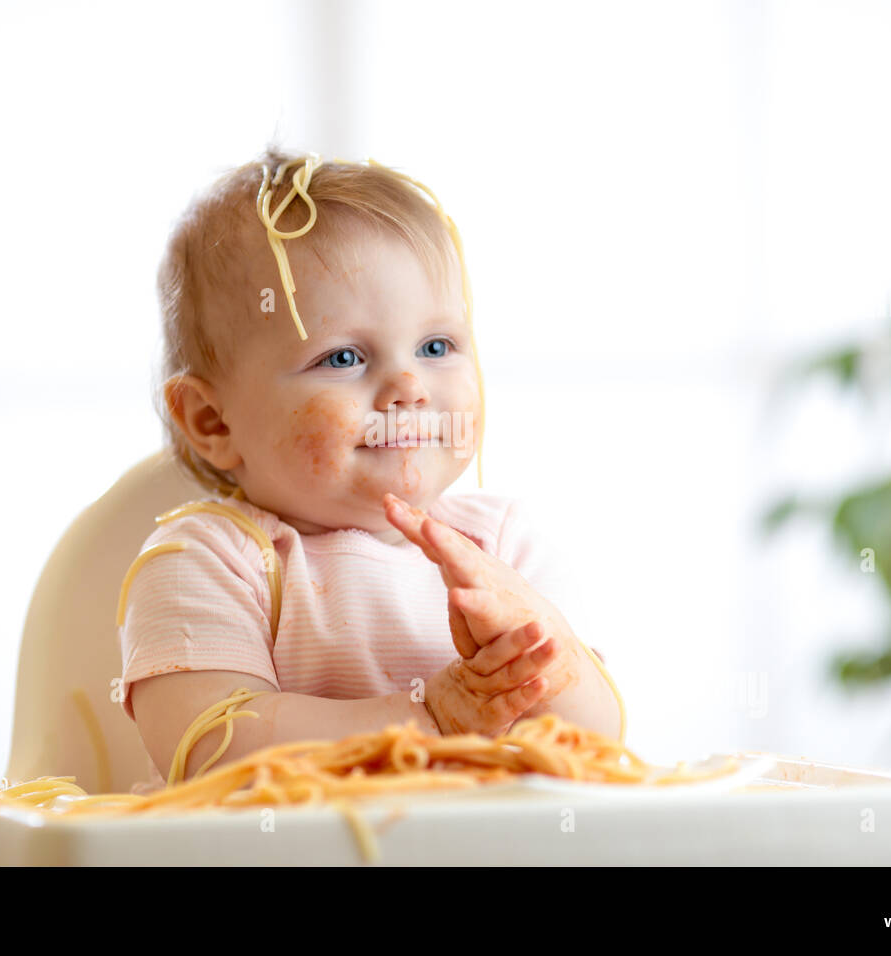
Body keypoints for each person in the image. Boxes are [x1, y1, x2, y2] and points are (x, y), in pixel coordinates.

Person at [118, 148, 620, 789]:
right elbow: (211, 747)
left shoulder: (504, 548)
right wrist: (423, 721)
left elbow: (597, 742)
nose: (410, 384)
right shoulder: (206, 560)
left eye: (436, 346)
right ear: (214, 423)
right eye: (343, 357)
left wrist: (546, 661)